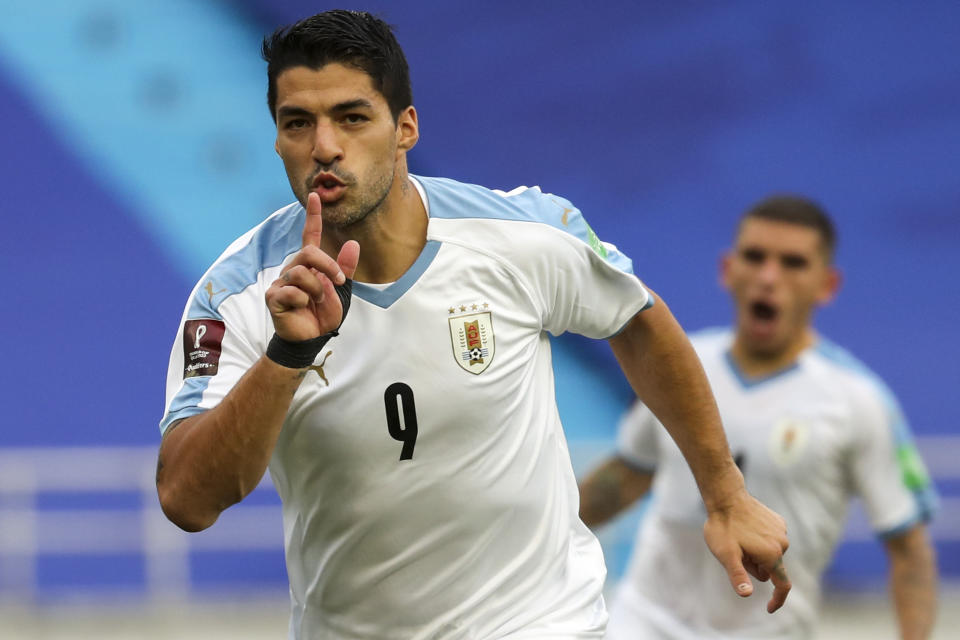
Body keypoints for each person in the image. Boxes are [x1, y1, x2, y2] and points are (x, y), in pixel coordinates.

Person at [155, 10, 790, 639]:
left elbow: (640, 321)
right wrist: (285, 358)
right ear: (278, 140)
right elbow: (187, 500)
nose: (325, 146)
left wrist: (724, 493)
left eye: (352, 117)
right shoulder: (237, 294)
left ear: (405, 127)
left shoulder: (522, 235)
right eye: (299, 123)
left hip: (542, 623)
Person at [579, 195, 939, 639]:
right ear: (728, 270)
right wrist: (543, 527)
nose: (769, 277)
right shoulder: (678, 364)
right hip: (646, 622)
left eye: (793, 263)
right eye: (755, 257)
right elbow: (627, 475)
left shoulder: (858, 400)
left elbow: (908, 548)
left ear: (826, 285)